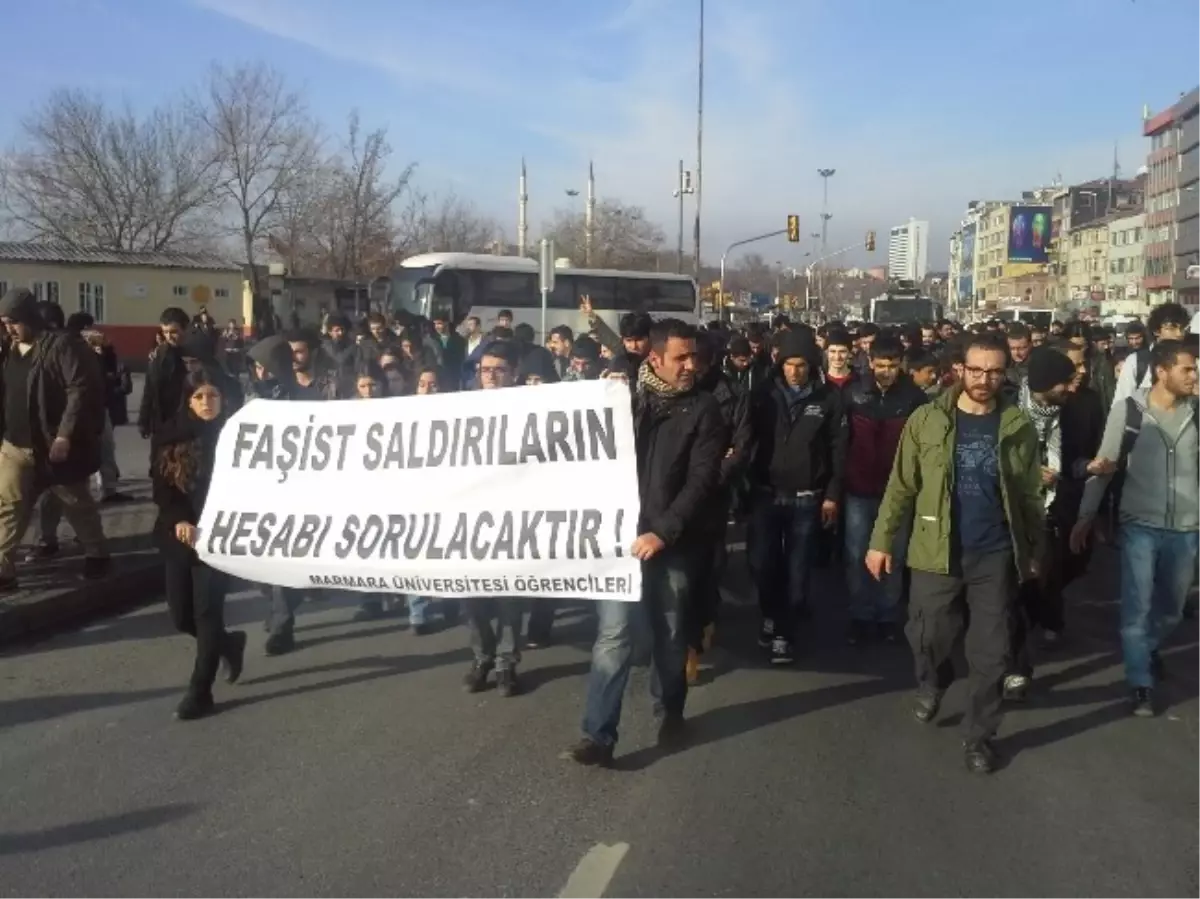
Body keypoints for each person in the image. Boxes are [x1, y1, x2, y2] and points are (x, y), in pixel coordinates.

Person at [867, 331, 1043, 774]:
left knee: (992, 654)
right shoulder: (926, 420)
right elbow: (900, 486)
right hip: (935, 552)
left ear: (1005, 373)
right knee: (928, 636)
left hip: (994, 555)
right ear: (959, 369)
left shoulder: (1017, 426)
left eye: (994, 371)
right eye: (976, 369)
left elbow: (1028, 496)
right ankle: (933, 678)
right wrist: (880, 541)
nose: (984, 379)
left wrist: (1036, 549)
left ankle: (979, 737)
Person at [564, 319, 726, 767]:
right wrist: (603, 397)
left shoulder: (704, 409)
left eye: (694, 356)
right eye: (681, 357)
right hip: (619, 542)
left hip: (673, 541)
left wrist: (664, 531)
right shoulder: (624, 400)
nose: (691, 365)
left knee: (670, 633)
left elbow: (701, 480)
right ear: (654, 359)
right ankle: (598, 735)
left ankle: (670, 707)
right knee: (613, 636)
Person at [1071, 340, 1200, 717]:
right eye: (1187, 369)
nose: (1194, 376)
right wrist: (1085, 515)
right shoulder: (1129, 411)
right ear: (1162, 371)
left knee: (1173, 609)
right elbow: (1105, 464)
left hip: (1186, 527)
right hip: (1139, 524)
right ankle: (1140, 683)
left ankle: (1147, 646)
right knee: (1136, 608)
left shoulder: (1196, 411)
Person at [747, 329, 847, 664]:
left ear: (811, 365)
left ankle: (784, 634)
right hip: (766, 494)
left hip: (807, 497)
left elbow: (838, 450)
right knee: (763, 563)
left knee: (798, 570)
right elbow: (747, 439)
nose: (794, 371)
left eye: (801, 364)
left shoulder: (829, 398)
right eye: (789, 364)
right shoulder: (762, 394)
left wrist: (832, 495)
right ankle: (770, 614)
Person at [152, 369, 247, 720]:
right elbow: (162, 488)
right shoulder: (169, 436)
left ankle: (200, 690)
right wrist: (179, 519)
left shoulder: (238, 435)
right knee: (181, 617)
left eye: (214, 396)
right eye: (200, 397)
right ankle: (228, 644)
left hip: (220, 536)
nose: (208, 403)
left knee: (207, 613)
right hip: (180, 536)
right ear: (188, 400)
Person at [0, 287, 110, 590]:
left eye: (13, 322)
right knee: (9, 505)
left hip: (52, 444)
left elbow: (78, 388)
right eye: (4, 322)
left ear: (29, 318)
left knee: (76, 502)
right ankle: (4, 569)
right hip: (15, 445)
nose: (8, 329)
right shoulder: (9, 349)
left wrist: (64, 435)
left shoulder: (59, 346)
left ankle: (97, 553)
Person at [842, 335, 927, 644]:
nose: (886, 372)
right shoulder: (853, 394)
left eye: (892, 366)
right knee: (856, 556)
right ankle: (860, 614)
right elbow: (841, 443)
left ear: (901, 364)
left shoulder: (914, 398)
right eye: (880, 366)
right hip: (858, 489)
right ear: (870, 362)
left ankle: (888, 615)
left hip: (899, 491)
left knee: (894, 555)